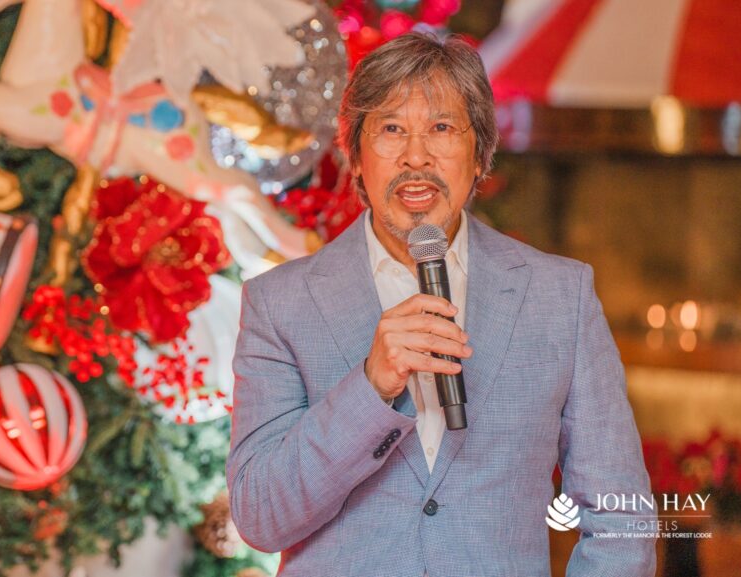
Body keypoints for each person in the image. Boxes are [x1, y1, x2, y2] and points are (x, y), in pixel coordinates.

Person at [226, 32, 656, 576]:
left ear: (479, 155)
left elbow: (621, 518)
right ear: (355, 156)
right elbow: (261, 517)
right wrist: (371, 386)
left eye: (442, 128)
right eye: (391, 129)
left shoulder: (559, 296)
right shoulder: (279, 303)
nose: (416, 156)